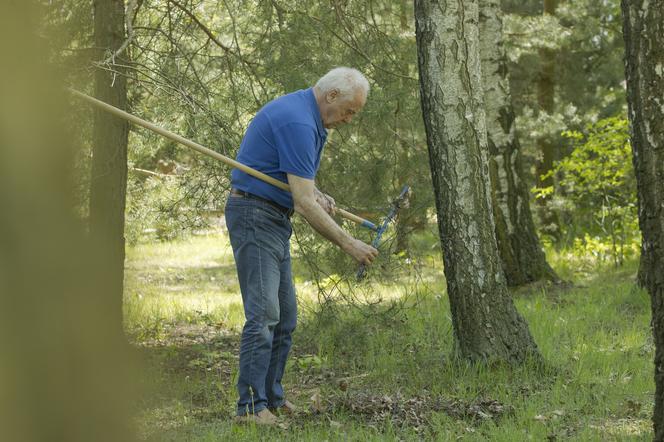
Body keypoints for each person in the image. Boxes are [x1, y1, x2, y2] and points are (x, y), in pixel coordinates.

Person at [225, 67, 378, 425]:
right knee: (263, 315)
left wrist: (315, 192)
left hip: (273, 216)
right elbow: (304, 203)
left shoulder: (308, 116)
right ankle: (249, 408)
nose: (349, 119)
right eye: (350, 111)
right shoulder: (298, 121)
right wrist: (349, 243)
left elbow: (296, 183)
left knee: (285, 318)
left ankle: (271, 399)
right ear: (332, 97)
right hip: (254, 213)